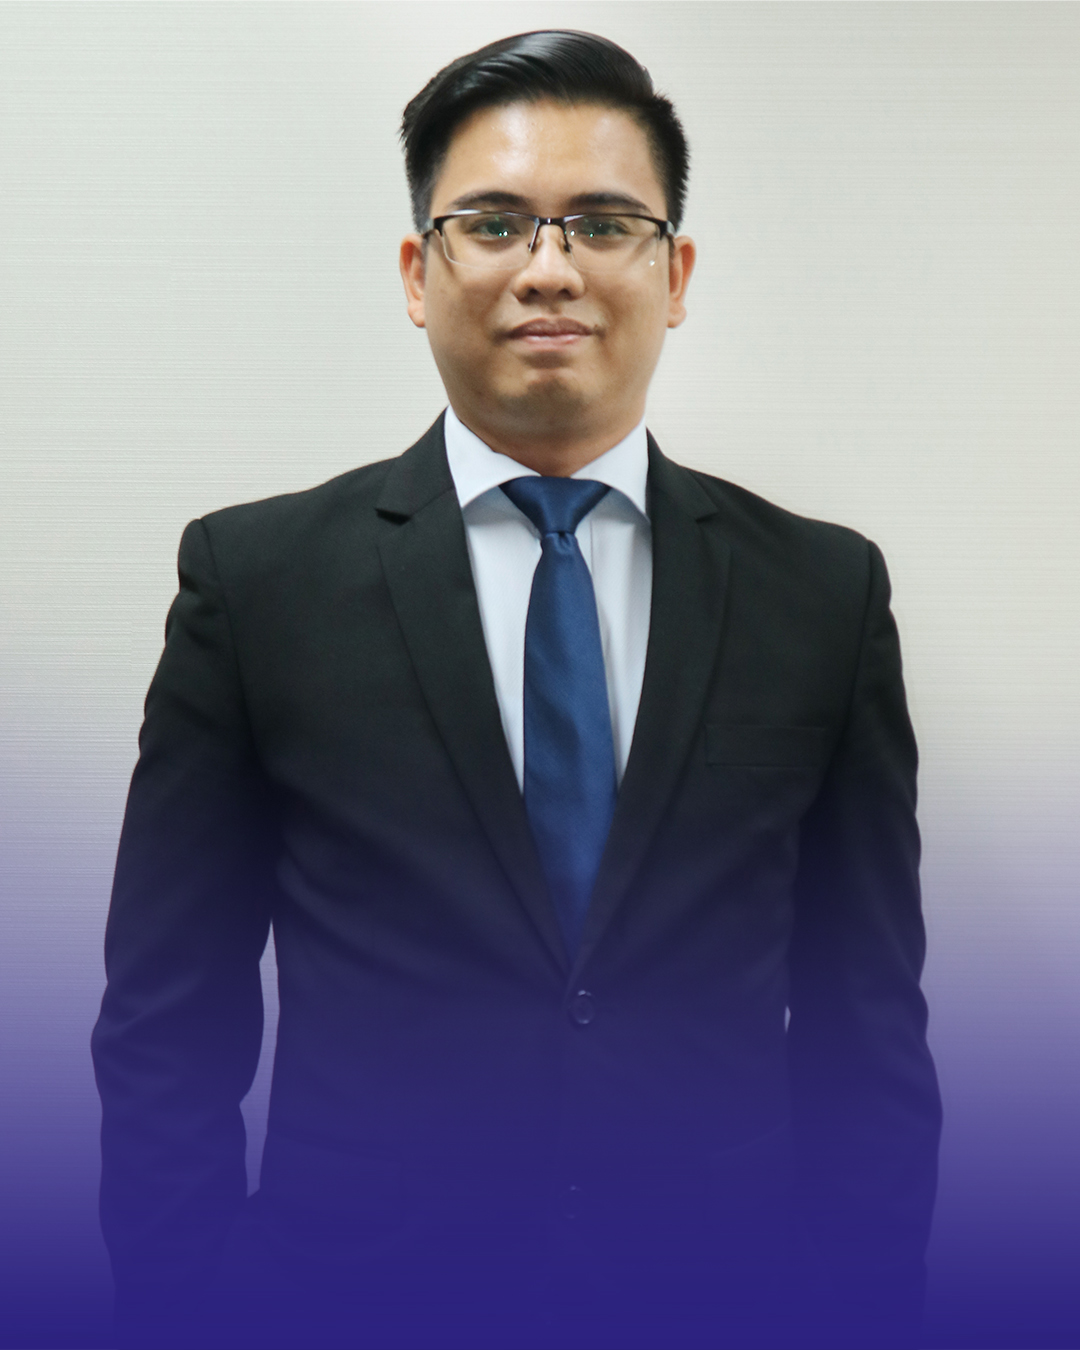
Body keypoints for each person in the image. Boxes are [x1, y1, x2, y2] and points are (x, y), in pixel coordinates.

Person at [92, 29, 941, 1350]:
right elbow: (167, 1014)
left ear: (675, 273)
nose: (550, 267)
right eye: (493, 223)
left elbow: (866, 1025)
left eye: (603, 223)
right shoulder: (255, 585)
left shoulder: (822, 593)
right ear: (417, 273)